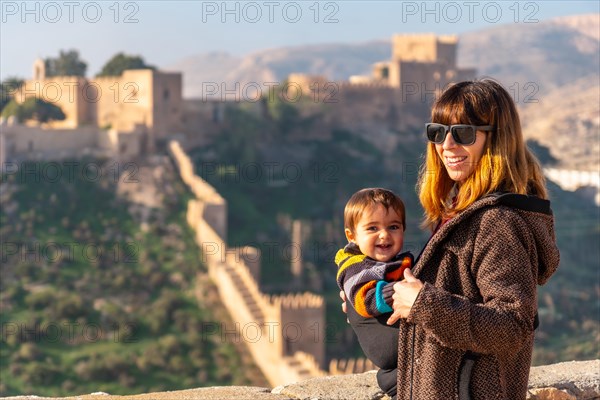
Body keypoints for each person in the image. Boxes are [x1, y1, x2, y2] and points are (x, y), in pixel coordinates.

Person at [341, 79, 559, 399]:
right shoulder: (461, 213)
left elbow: (513, 326)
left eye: (463, 133)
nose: (447, 145)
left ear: (496, 139)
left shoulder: (497, 223)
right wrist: (371, 304)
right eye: (438, 132)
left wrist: (422, 303)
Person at [335, 188, 414, 399]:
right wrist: (406, 292)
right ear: (352, 236)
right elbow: (366, 301)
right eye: (372, 228)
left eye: (394, 227)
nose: (384, 235)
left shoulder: (393, 263)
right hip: (392, 352)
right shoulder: (355, 268)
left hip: (403, 365)